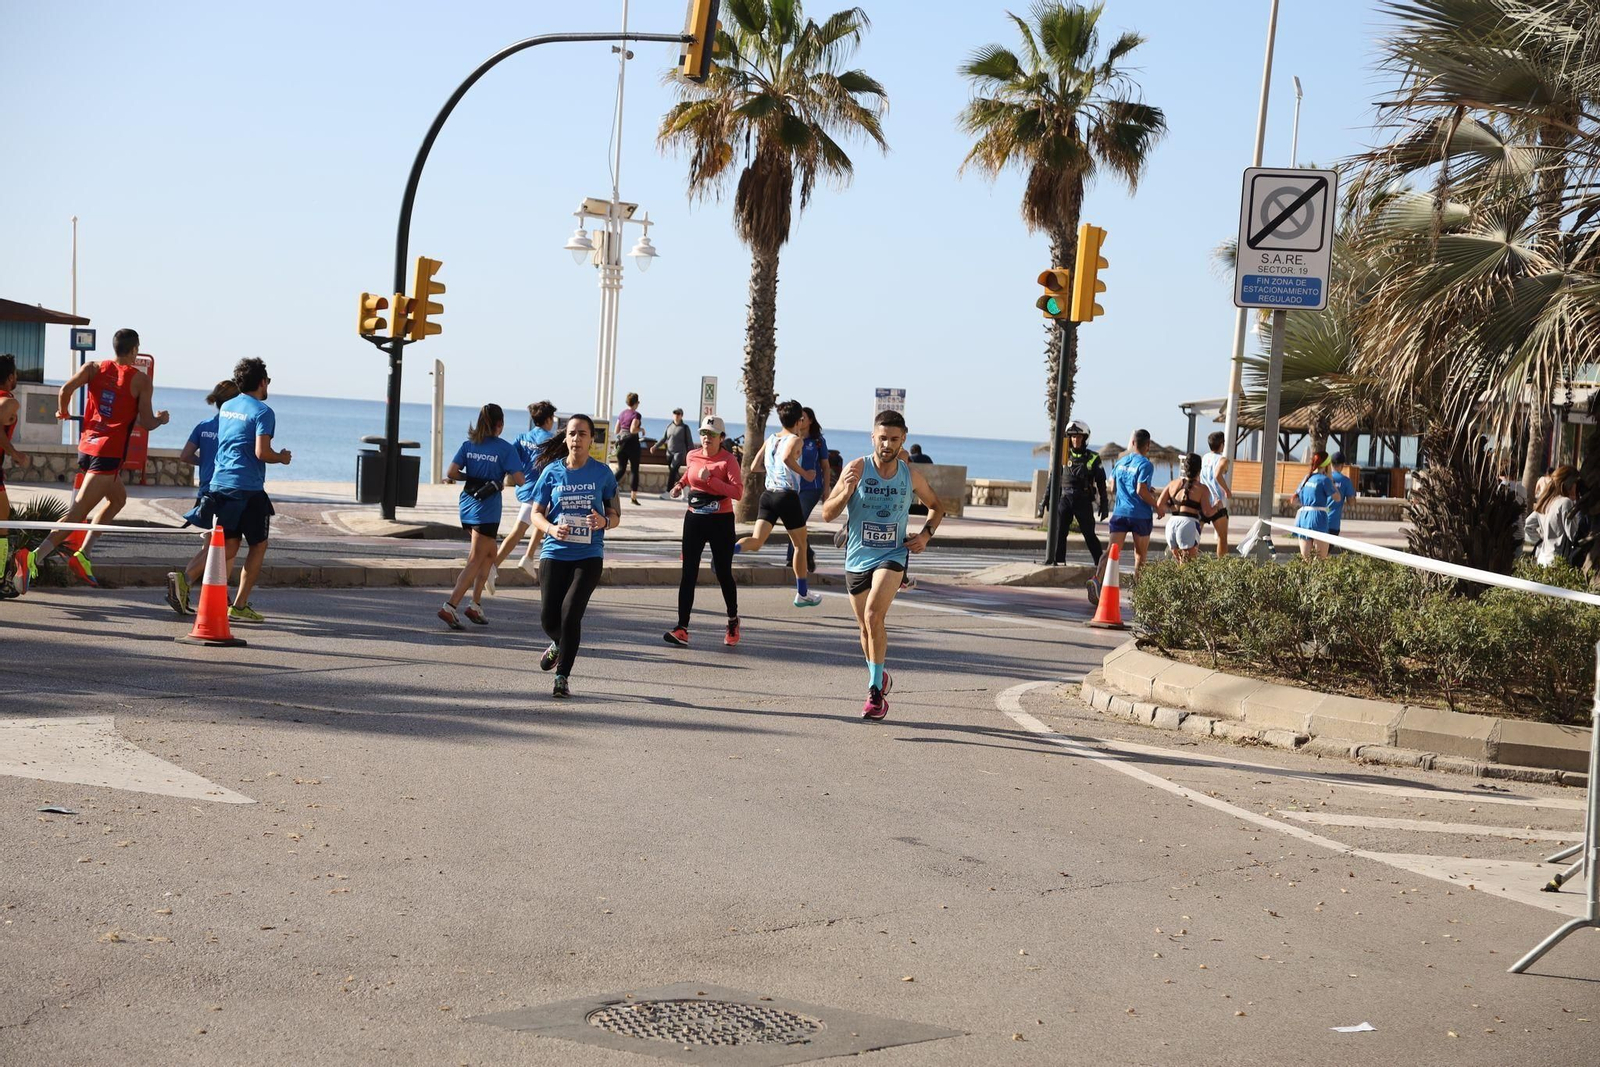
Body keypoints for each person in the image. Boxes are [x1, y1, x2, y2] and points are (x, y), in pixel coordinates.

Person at [11, 329, 169, 596]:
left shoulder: (93, 367)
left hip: (87, 447)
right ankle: (33, 557)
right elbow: (147, 422)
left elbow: (66, 389)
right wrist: (162, 419)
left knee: (118, 499)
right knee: (79, 512)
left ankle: (83, 554)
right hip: (108, 454)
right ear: (133, 351)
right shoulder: (140, 381)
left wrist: (63, 410)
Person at [820, 409, 944, 721]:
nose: (887, 444)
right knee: (865, 626)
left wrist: (926, 536)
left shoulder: (909, 475)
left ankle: (875, 693)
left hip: (892, 554)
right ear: (873, 437)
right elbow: (827, 514)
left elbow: (937, 507)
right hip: (857, 556)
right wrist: (847, 491)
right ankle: (880, 675)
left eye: (894, 439)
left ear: (903, 440)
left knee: (875, 614)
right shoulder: (856, 468)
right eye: (882, 438)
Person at [171, 358, 290, 621]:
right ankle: (238, 605)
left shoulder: (227, 407)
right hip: (247, 487)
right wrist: (281, 457)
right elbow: (262, 452)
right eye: (268, 381)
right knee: (259, 545)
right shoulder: (263, 411)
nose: (268, 385)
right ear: (261, 382)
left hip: (220, 483)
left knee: (230, 545)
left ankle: (185, 578)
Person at [528, 415, 620, 697]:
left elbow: (615, 515)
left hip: (589, 554)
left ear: (592, 439)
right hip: (555, 552)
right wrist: (552, 529)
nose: (576, 439)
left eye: (582, 434)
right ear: (565, 438)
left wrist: (604, 522)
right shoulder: (551, 473)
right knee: (548, 619)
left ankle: (562, 677)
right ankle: (559, 644)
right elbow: (535, 514)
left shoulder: (602, 473)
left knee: (570, 616)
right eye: (572, 434)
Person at [439, 404, 523, 630]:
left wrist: (473, 476)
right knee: (477, 558)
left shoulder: (469, 445)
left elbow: (451, 473)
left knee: (489, 554)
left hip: (467, 504)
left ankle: (475, 605)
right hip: (486, 510)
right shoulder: (505, 449)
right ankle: (451, 606)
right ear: (500, 424)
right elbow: (520, 479)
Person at [664, 415, 744, 647]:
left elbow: (737, 492)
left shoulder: (728, 460)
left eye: (712, 434)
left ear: (721, 437)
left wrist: (711, 480)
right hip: (695, 518)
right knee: (688, 572)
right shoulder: (692, 455)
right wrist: (679, 486)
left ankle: (732, 620)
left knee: (722, 572)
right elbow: (689, 474)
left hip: (721, 520)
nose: (707, 438)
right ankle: (682, 628)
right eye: (704, 433)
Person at [164, 379, 241, 615]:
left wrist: (204, 461)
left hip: (203, 493)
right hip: (223, 492)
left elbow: (185, 456)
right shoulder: (233, 428)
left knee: (210, 545)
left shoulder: (204, 425)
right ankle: (185, 581)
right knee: (222, 547)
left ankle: (214, 595)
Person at [736, 399, 822, 607]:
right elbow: (786, 458)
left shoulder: (772, 438)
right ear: (800, 420)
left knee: (756, 541)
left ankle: (725, 552)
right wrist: (805, 474)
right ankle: (802, 593)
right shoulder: (795, 439)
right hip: (786, 495)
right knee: (800, 545)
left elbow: (756, 465)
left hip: (768, 496)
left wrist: (774, 471)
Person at [489, 400, 558, 588]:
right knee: (520, 529)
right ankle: (493, 566)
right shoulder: (550, 440)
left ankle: (528, 557)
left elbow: (509, 460)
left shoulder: (522, 437)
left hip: (526, 488)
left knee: (541, 520)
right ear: (549, 419)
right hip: (539, 492)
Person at [1093, 428, 1161, 589]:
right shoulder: (1146, 464)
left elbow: (1112, 487)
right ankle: (1138, 592)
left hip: (1120, 512)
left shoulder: (1120, 462)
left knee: (1110, 551)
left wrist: (1130, 490)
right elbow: (1140, 490)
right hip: (1140, 515)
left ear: (1132, 443)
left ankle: (1096, 579)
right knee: (1140, 556)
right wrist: (1157, 505)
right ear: (1148, 445)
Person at [1055, 420, 1108, 602]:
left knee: (1089, 534)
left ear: (1084, 438)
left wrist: (1104, 504)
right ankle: (1059, 560)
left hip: (1083, 500)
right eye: (1072, 437)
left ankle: (1100, 565)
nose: (1075, 440)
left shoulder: (1093, 457)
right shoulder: (1064, 455)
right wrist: (1045, 500)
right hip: (1065, 498)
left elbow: (1101, 483)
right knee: (1060, 532)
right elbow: (1054, 478)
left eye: (1078, 437)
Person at [785, 406, 829, 578]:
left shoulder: (818, 441)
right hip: (792, 487)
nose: (801, 421)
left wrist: (826, 490)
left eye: (804, 418)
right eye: (799, 418)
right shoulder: (790, 439)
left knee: (796, 520)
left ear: (810, 420)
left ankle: (791, 559)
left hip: (811, 489)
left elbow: (825, 467)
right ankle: (807, 553)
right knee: (796, 523)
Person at [0, 355, 29, 598]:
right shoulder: (9, 401)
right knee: (3, 523)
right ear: (10, 377)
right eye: (16, 374)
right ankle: (1, 581)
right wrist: (16, 453)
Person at [1155, 453, 1217, 563]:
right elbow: (1207, 512)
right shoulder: (1202, 488)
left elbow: (1159, 504)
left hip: (1172, 524)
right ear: (1199, 469)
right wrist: (1218, 506)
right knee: (1188, 565)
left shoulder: (1173, 484)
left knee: (1178, 563)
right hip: (1188, 524)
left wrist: (1171, 506)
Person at [1526, 465, 1584, 567]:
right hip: (1558, 563)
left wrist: (1545, 540)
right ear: (1569, 483)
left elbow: (1528, 525)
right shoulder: (1565, 502)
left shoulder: (1546, 502)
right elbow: (1573, 535)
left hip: (1542, 559)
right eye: (1576, 483)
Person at [1292, 451, 1341, 561]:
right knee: (1321, 559)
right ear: (1327, 466)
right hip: (1318, 517)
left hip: (1303, 517)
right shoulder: (1324, 480)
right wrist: (1330, 479)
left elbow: (1294, 500)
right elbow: (1337, 498)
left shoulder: (1306, 478)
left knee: (1306, 559)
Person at [1199, 431, 1233, 557]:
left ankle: (1188, 565)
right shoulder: (1223, 460)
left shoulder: (1204, 458)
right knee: (1222, 538)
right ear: (1222, 444)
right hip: (1217, 503)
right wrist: (1227, 490)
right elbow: (1217, 474)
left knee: (1195, 537)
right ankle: (1221, 566)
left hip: (1203, 502)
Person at [614, 392, 644, 507]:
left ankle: (607, 483)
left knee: (621, 469)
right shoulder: (636, 415)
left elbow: (617, 430)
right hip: (632, 444)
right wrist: (641, 429)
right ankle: (633, 497)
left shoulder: (621, 414)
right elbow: (632, 429)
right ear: (637, 403)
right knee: (634, 470)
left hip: (621, 443)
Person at [656, 408, 692, 497]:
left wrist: (691, 456)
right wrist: (655, 446)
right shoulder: (669, 426)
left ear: (681, 416)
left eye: (678, 414)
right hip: (669, 454)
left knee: (673, 470)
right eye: (675, 413)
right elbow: (664, 438)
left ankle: (668, 492)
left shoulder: (685, 428)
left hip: (679, 453)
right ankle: (685, 488)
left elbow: (690, 443)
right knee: (674, 472)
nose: (676, 415)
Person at [1327, 450, 1357, 546]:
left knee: (1314, 554)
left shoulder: (1323, 478)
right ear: (1342, 465)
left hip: (1318, 521)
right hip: (1333, 523)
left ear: (1331, 464)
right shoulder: (1345, 481)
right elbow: (1351, 502)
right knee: (1324, 555)